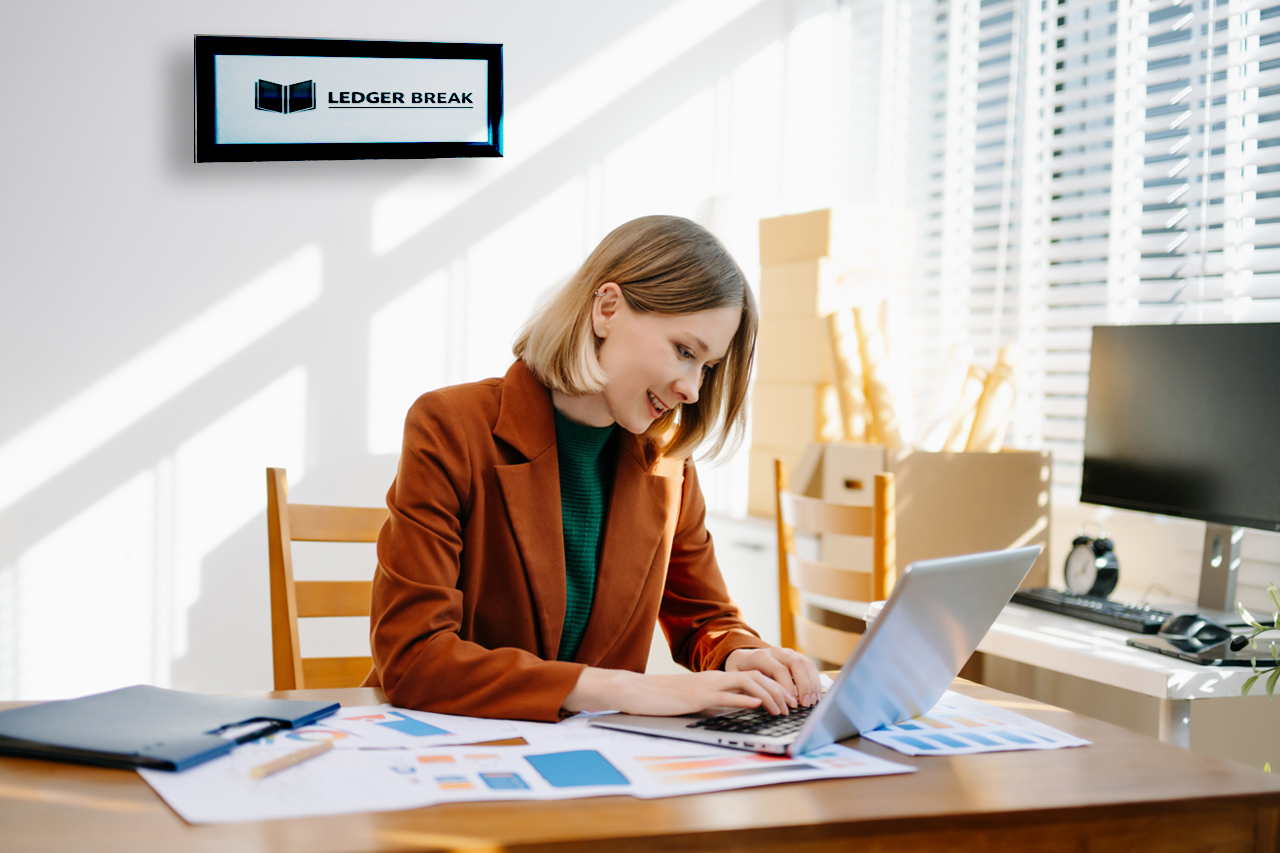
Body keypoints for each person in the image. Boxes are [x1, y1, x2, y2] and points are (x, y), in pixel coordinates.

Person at [364, 215, 821, 722]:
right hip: (456, 742)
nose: (692, 389)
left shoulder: (668, 461)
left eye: (706, 368)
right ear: (607, 309)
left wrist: (741, 652)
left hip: (593, 756)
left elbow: (704, 618)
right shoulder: (451, 425)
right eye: (684, 351)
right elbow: (415, 657)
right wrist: (620, 689)